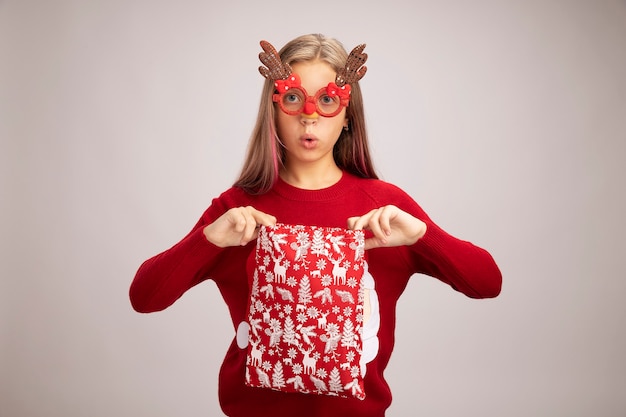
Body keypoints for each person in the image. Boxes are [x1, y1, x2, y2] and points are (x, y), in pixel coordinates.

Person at [129, 33, 502, 417]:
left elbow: (488, 283)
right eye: (292, 98)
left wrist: (424, 237)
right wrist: (207, 240)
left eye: (326, 100)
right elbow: (144, 297)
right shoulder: (236, 210)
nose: (309, 115)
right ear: (272, 110)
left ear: (347, 116)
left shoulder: (387, 210)